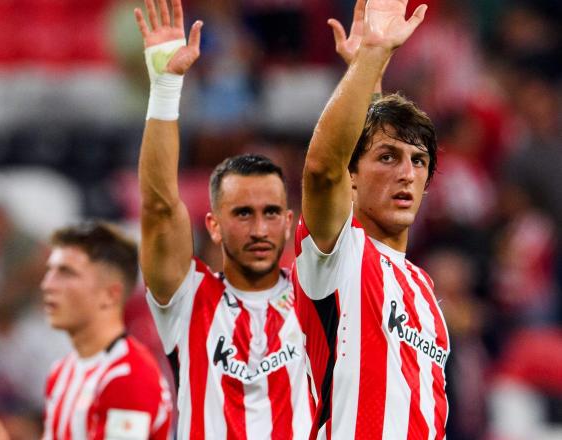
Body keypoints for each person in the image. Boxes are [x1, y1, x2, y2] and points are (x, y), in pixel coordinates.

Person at [134, 0, 313, 437]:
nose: (258, 229)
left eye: (271, 213)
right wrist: (166, 86)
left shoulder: (319, 298)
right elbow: (159, 207)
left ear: (289, 222)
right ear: (212, 225)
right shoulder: (188, 300)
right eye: (242, 213)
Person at [294, 0, 450, 438]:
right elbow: (324, 170)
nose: (406, 173)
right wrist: (371, 58)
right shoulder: (337, 255)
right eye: (389, 159)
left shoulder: (423, 289)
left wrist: (374, 83)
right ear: (352, 179)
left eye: (419, 162)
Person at [0, 221, 173, 440]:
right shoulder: (62, 373)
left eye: (67, 274)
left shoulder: (129, 375)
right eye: (50, 272)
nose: (48, 285)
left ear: (109, 294)